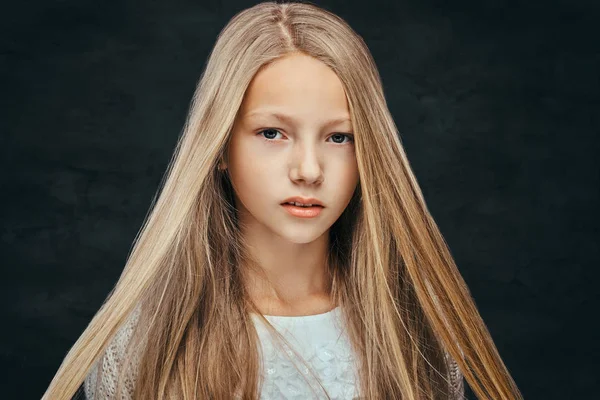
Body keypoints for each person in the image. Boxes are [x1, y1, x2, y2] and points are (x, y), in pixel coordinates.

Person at [43, 1, 522, 399]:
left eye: (340, 138)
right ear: (220, 147)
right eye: (272, 133)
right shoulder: (143, 344)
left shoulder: (416, 334)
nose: (309, 170)